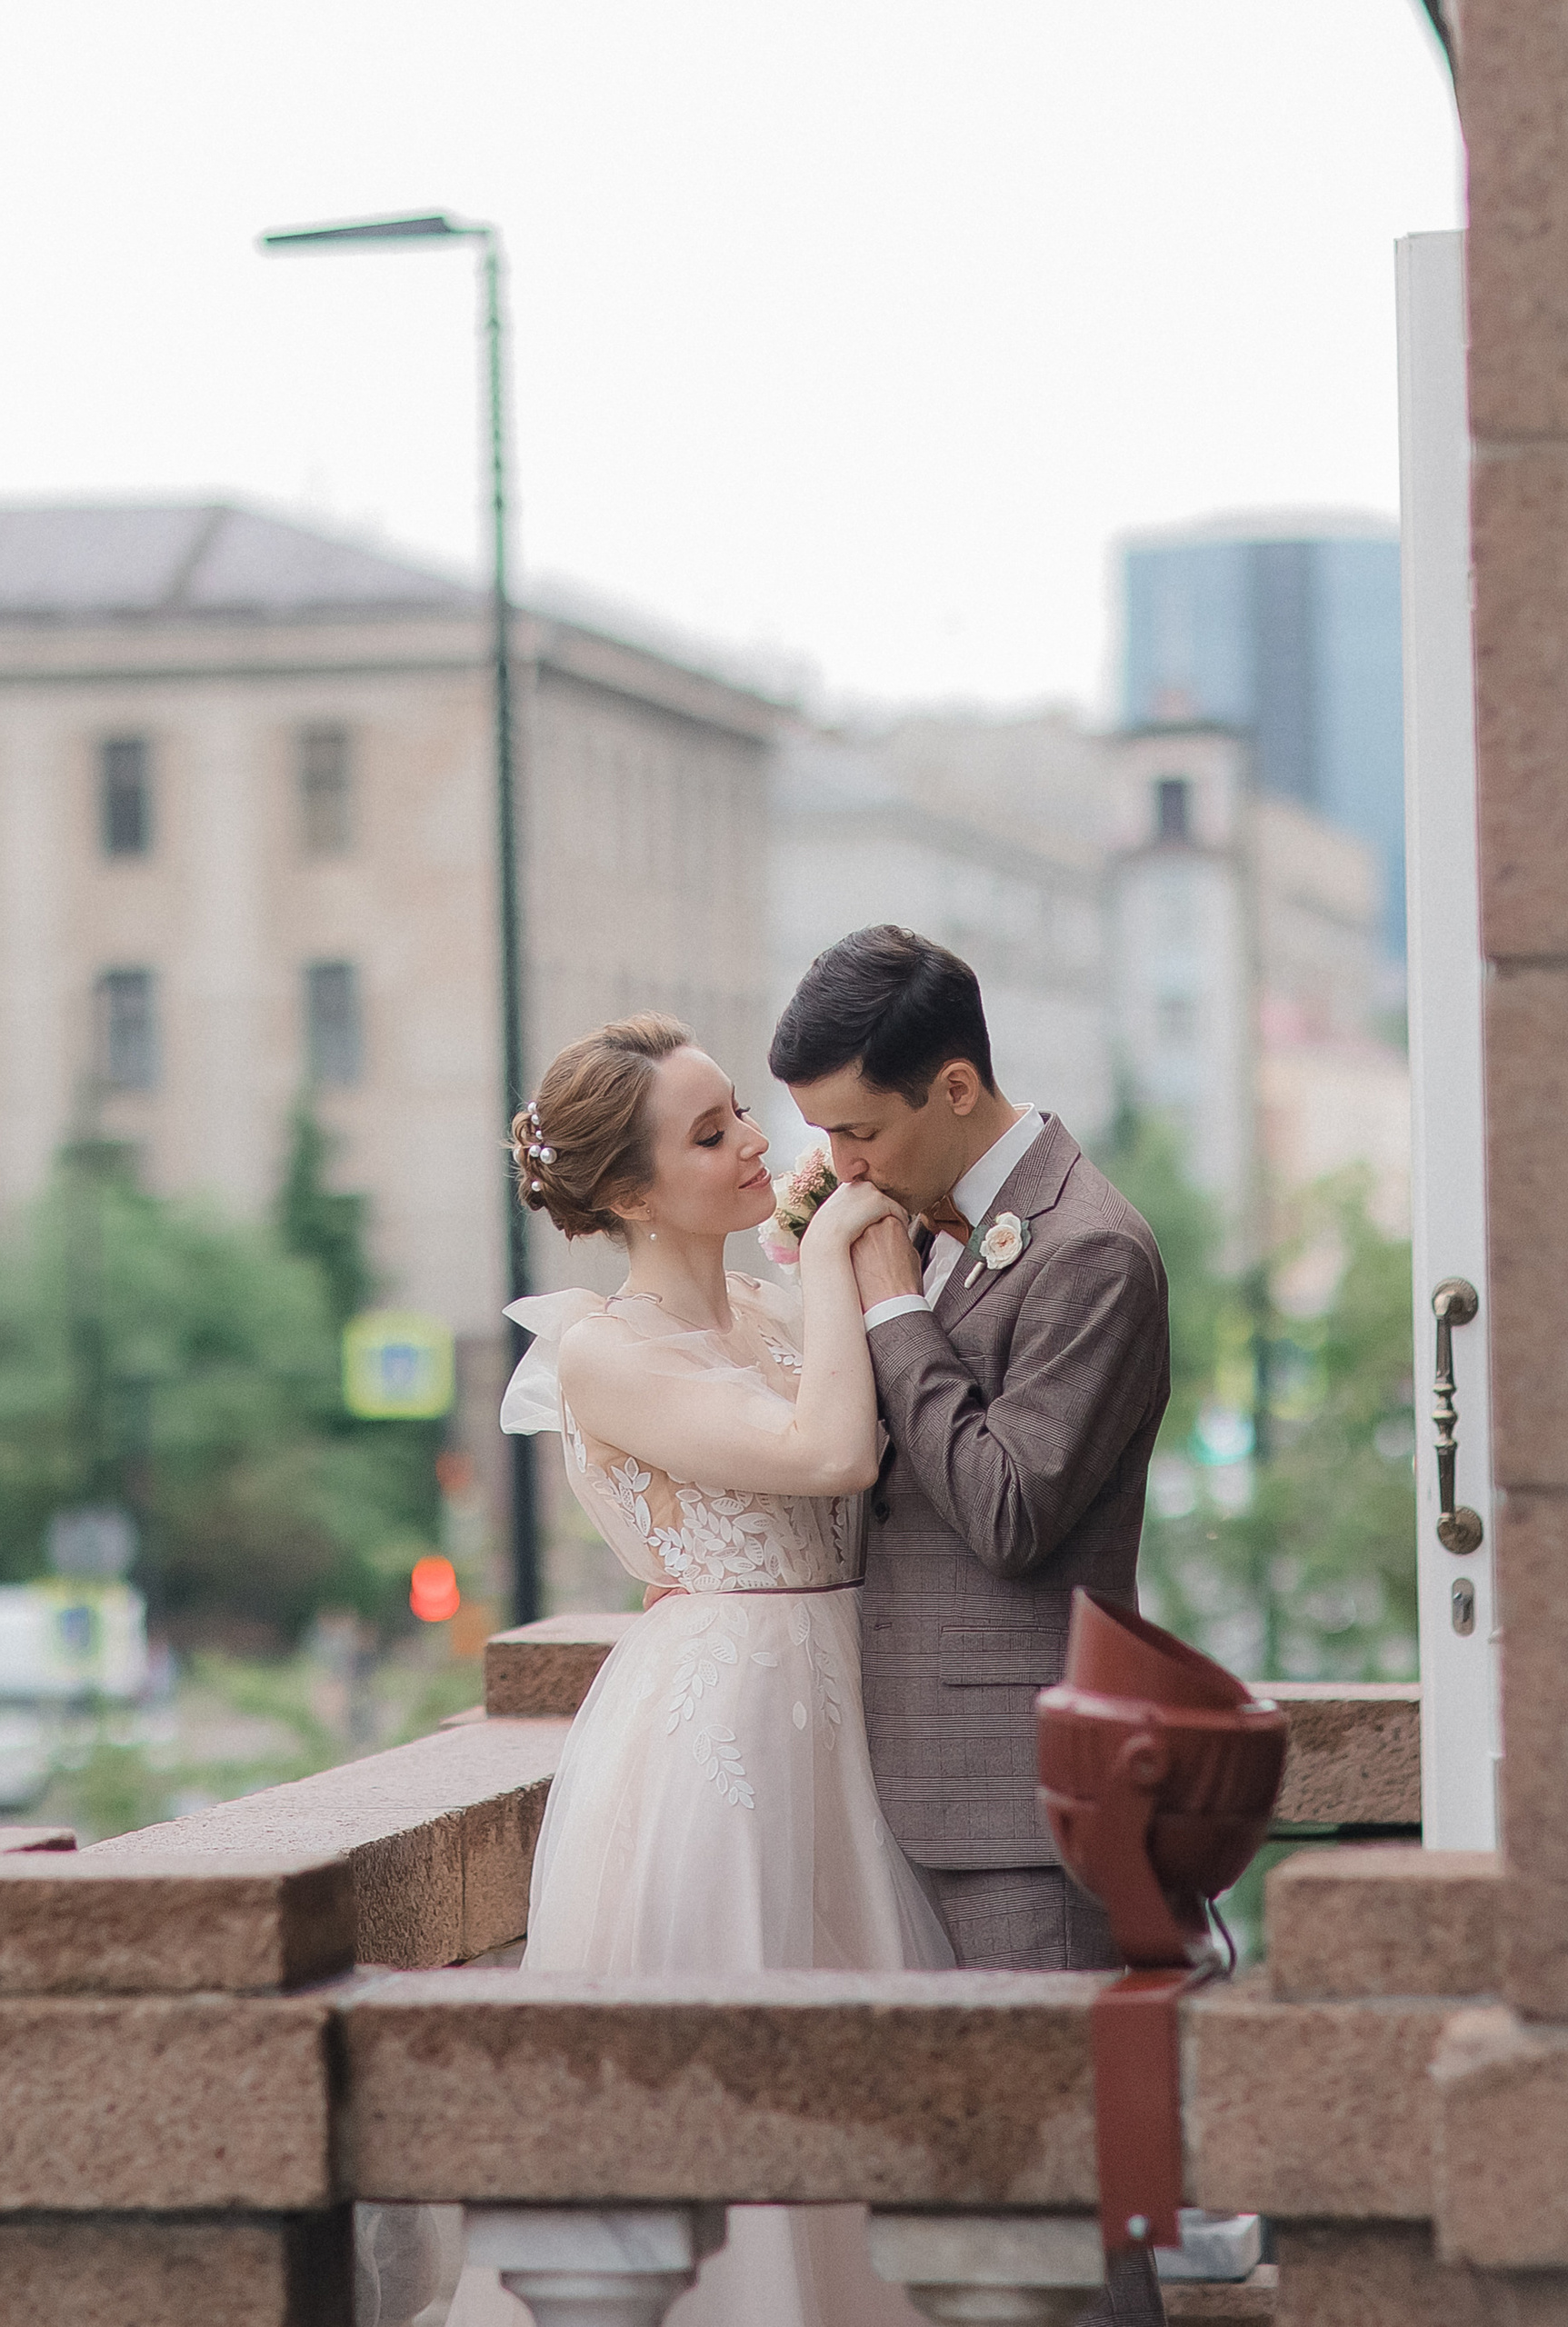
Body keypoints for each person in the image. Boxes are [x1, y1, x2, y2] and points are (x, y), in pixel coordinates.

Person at [453, 1010, 949, 2327]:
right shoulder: (600, 1355)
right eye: (713, 1130)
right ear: (626, 1190)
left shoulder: (773, 1308)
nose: (758, 1145)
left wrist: (829, 1266)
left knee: (870, 2075)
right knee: (739, 2061)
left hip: (853, 1706)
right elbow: (827, 1455)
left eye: (743, 1113)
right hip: (718, 1730)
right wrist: (844, 1242)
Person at [772, 924, 1172, 2327]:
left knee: (1056, 2190)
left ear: (953, 1088)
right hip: (920, 1776)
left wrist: (888, 1304)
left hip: (1019, 1792)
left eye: (860, 1131)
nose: (845, 1168)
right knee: (990, 2193)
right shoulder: (930, 1222)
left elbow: (1008, 1507)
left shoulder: (1091, 1249)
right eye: (825, 1136)